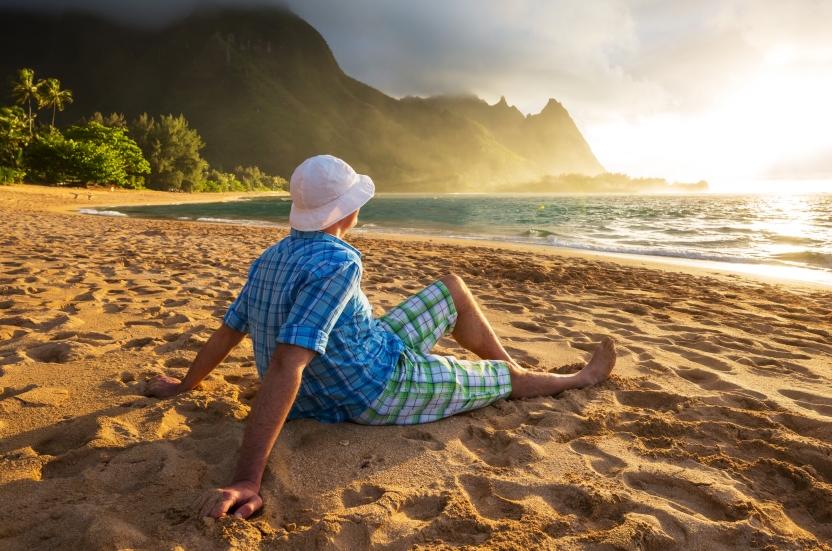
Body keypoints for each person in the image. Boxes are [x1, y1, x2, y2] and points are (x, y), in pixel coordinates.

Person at [149, 155, 616, 520]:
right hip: (367, 387)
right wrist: (248, 479)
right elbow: (288, 363)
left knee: (452, 287)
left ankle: (511, 367)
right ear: (346, 210)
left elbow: (229, 330)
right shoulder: (340, 261)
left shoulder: (271, 256)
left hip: (363, 350)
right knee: (495, 378)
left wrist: (185, 384)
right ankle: (575, 379)